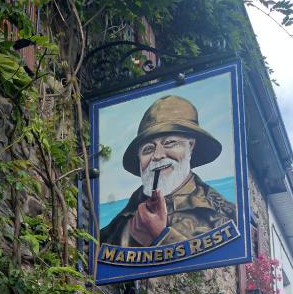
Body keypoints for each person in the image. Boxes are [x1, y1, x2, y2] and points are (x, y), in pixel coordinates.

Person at [100, 95, 236, 248]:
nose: (157, 155)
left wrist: (162, 235)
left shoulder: (223, 215)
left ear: (190, 146)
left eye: (170, 143)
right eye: (148, 149)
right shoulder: (119, 223)